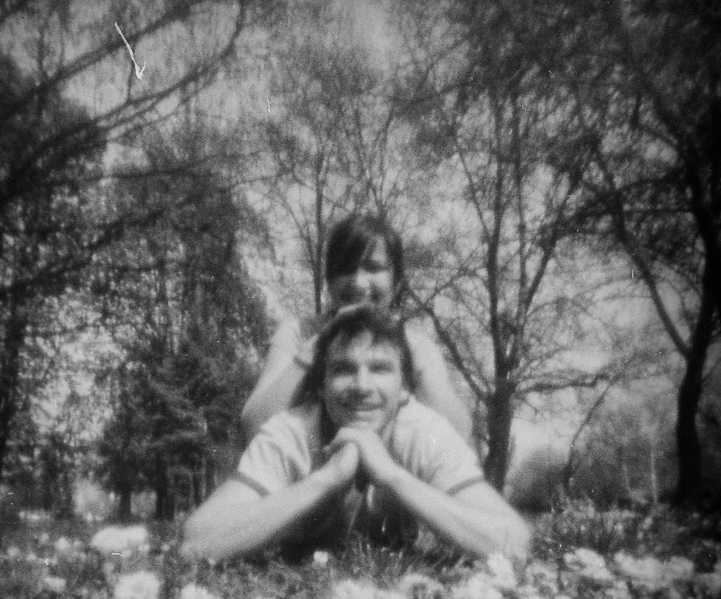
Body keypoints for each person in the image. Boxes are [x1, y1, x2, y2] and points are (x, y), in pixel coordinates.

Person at [182, 305, 530, 562]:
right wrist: (326, 480)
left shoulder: (425, 432)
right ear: (320, 387)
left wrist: (392, 475)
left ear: (405, 388)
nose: (362, 386)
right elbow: (197, 541)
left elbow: (514, 542)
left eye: (379, 369)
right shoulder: (290, 432)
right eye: (344, 369)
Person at [241, 214, 473, 442]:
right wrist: (318, 344)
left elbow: (458, 436)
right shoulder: (298, 334)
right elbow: (254, 425)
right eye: (345, 269)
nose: (358, 282)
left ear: (396, 283)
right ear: (329, 281)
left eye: (373, 267)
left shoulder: (418, 345)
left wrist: (410, 352)